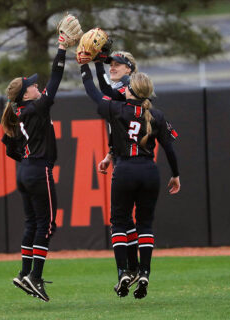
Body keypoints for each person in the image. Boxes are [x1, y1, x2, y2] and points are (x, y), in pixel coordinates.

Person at [79, 63, 181, 299]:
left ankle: (124, 271)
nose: (123, 89)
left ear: (132, 90)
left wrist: (85, 67)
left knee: (118, 223)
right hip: (149, 171)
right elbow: (169, 149)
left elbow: (93, 92)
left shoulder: (117, 109)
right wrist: (175, 175)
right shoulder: (156, 114)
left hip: (125, 169)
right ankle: (144, 272)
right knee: (144, 224)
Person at [0, 41, 67, 302]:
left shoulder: (22, 110)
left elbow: (9, 149)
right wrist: (62, 49)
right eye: (32, 85)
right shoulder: (35, 107)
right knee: (47, 225)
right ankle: (34, 277)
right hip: (38, 169)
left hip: (27, 171)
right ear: (25, 95)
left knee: (32, 223)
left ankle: (25, 272)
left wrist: (27, 163)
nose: (37, 86)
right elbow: (57, 78)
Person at [93, 50, 142, 288]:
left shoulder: (129, 89)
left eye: (118, 64)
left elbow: (103, 92)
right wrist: (110, 154)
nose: (113, 67)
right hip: (128, 159)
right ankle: (134, 269)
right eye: (111, 63)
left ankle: (127, 270)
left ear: (129, 69)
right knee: (127, 219)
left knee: (119, 220)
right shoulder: (128, 90)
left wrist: (90, 66)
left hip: (130, 162)